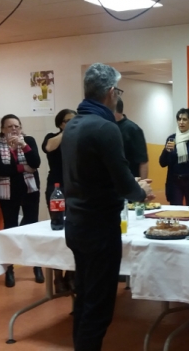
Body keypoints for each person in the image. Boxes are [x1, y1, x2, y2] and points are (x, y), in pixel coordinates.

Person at [61, 63, 154, 351]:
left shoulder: (73, 125)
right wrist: (141, 191)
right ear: (112, 92)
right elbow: (124, 184)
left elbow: (92, 173)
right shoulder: (105, 127)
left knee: (84, 299)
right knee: (99, 308)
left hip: (75, 223)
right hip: (100, 227)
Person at [0, 114, 43, 288]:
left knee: (32, 227)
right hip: (8, 193)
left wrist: (23, 146)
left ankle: (37, 267)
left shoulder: (29, 141)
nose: (14, 129)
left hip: (30, 190)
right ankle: (10, 269)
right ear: (2, 129)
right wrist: (22, 167)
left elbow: (36, 163)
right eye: (10, 126)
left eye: (16, 126)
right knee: (10, 228)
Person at [43, 108, 76, 293]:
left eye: (74, 120)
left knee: (74, 233)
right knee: (57, 232)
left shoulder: (79, 138)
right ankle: (57, 278)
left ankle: (71, 275)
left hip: (76, 189)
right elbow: (49, 147)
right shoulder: (52, 137)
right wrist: (67, 132)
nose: (72, 124)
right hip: (57, 189)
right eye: (68, 121)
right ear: (60, 124)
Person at [159, 108, 189, 206]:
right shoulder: (172, 138)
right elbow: (162, 163)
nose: (181, 122)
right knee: (175, 210)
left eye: (184, 119)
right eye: (179, 119)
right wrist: (166, 151)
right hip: (175, 181)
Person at [114, 98, 148, 179]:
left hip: (130, 180)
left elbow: (143, 161)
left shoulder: (133, 130)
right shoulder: (106, 127)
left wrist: (143, 184)